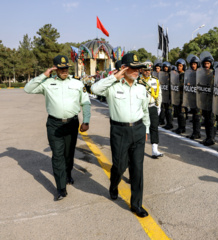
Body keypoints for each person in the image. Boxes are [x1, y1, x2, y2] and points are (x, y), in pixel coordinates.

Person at [24, 55, 91, 200]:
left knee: (68, 153)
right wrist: (44, 74)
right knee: (58, 155)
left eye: (66, 67)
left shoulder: (77, 83)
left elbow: (85, 103)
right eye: (60, 68)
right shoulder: (47, 83)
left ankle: (67, 174)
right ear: (55, 69)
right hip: (54, 124)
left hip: (72, 123)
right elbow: (28, 89)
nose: (64, 70)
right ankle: (61, 188)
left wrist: (86, 120)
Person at [91, 53, 150, 218]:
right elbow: (94, 89)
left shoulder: (141, 88)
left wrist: (145, 130)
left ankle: (136, 205)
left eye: (138, 67)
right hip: (119, 131)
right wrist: (115, 76)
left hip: (138, 130)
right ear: (123, 68)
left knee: (137, 169)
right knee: (119, 165)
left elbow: (145, 111)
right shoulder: (112, 87)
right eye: (133, 67)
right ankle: (114, 184)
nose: (137, 70)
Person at [138, 61, 163, 158]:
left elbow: (159, 94)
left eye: (149, 70)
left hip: (152, 106)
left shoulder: (155, 80)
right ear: (142, 70)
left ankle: (154, 150)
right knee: (141, 128)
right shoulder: (138, 81)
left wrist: (159, 106)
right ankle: (139, 149)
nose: (147, 72)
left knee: (154, 127)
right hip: (141, 107)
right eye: (145, 70)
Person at [185, 54, 202, 140]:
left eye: (195, 64)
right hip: (192, 98)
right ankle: (194, 132)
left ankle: (197, 133)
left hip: (199, 99)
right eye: (192, 64)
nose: (193, 65)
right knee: (194, 117)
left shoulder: (201, 73)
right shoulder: (190, 74)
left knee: (197, 117)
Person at [172, 58, 187, 134]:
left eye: (180, 66)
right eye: (178, 66)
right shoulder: (177, 75)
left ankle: (182, 128)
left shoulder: (184, 75)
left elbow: (183, 85)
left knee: (182, 114)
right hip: (177, 97)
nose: (179, 67)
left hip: (182, 98)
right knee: (178, 113)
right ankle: (179, 127)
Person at [159, 61, 173, 129]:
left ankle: (170, 123)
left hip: (170, 95)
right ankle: (167, 123)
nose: (165, 68)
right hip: (164, 94)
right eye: (164, 67)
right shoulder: (163, 75)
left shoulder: (171, 75)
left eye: (166, 67)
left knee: (169, 110)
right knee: (164, 109)